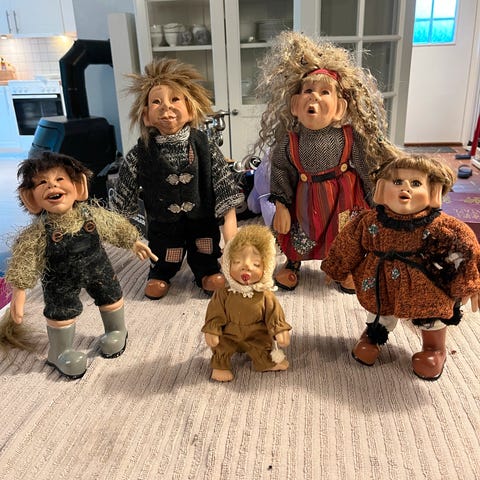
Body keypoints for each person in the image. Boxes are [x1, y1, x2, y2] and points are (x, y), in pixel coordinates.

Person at [253, 31, 401, 292]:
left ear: (340, 108)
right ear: (295, 105)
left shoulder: (349, 137)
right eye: (308, 91)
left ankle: (344, 267)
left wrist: (376, 199)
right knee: (300, 232)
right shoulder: (289, 142)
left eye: (325, 92)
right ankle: (293, 263)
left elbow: (365, 167)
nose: (315, 97)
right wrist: (282, 205)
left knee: (345, 234)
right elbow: (280, 172)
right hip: (306, 197)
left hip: (344, 196)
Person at [321, 154, 480, 380]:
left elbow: (466, 249)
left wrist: (470, 284)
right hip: (382, 280)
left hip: (426, 284)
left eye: (416, 183)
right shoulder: (369, 221)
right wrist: (337, 267)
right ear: (381, 189)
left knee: (432, 315)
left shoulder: (443, 226)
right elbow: (349, 242)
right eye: (397, 182)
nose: (406, 188)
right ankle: (374, 335)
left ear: (434, 191)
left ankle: (434, 348)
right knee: (379, 309)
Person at [0, 151, 157, 379]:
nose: (52, 186)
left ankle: (116, 330)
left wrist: (133, 241)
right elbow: (25, 260)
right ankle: (59, 351)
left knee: (111, 295)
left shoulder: (91, 215)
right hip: (59, 279)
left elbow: (114, 226)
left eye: (60, 179)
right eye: (42, 183)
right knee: (60, 311)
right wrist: (19, 294)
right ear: (30, 197)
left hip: (98, 269)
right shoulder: (39, 232)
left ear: (79, 186)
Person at [110, 58, 244, 300]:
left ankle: (206, 271)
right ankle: (160, 273)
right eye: (156, 102)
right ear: (146, 116)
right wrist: (129, 236)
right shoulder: (140, 153)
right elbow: (123, 197)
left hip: (202, 219)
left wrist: (231, 238)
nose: (166, 107)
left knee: (205, 249)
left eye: (175, 99)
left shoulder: (205, 146)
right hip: (163, 223)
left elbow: (225, 189)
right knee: (165, 253)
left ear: (190, 109)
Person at [202, 225, 292, 382]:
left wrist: (280, 330)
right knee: (221, 346)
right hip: (229, 333)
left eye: (256, 264)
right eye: (237, 262)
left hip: (256, 333)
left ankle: (265, 362)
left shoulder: (265, 295)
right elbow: (215, 313)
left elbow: (274, 315)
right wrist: (212, 330)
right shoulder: (224, 293)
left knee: (263, 345)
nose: (246, 267)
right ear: (227, 264)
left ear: (266, 267)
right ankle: (220, 365)